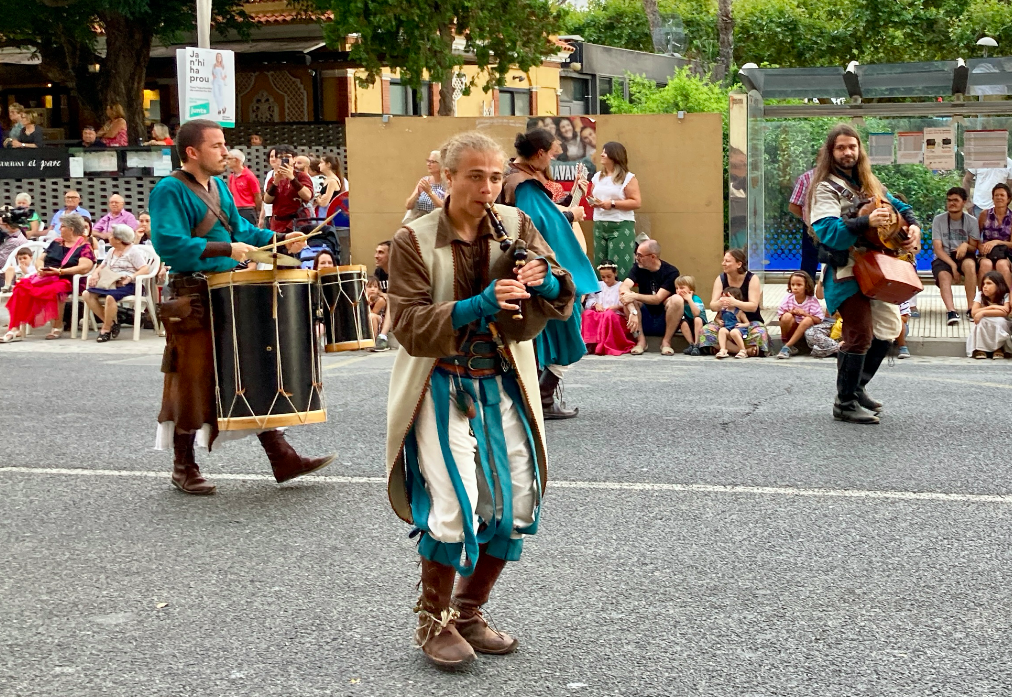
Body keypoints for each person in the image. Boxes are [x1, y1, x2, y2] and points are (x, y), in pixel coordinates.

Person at [385, 130, 574, 668]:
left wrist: (543, 281)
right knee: (451, 506)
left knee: (515, 502)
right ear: (447, 178)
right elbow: (408, 324)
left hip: (504, 380)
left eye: (495, 176)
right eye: (475, 176)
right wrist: (480, 303)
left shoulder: (516, 224)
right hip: (442, 381)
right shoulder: (413, 240)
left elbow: (562, 287)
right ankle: (432, 620)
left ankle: (468, 610)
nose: (488, 187)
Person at [148, 118, 333, 495]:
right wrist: (225, 250)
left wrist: (281, 239)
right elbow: (169, 245)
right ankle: (183, 466)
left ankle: (282, 456)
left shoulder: (218, 186)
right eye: (216, 145)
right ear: (192, 152)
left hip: (228, 290)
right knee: (194, 378)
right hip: (194, 295)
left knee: (249, 370)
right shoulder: (170, 189)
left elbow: (243, 233)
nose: (224, 151)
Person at [807, 123, 921, 425]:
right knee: (858, 334)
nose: (848, 152)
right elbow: (826, 231)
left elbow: (901, 207)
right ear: (832, 152)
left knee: (888, 328)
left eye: (852, 146)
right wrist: (866, 221)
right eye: (841, 147)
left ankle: (857, 388)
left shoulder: (868, 181)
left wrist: (913, 228)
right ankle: (844, 403)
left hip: (878, 267)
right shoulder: (825, 187)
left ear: (859, 150)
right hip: (846, 268)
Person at [503, 128, 599, 419]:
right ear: (540, 153)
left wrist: (569, 203)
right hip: (540, 271)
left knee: (539, 334)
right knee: (567, 326)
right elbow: (537, 225)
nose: (556, 156)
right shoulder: (524, 185)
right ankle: (542, 399)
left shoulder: (515, 176)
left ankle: (536, 397)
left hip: (526, 268)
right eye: (554, 151)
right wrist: (572, 215)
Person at [0, 213, 95, 343]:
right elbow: (40, 260)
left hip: (68, 279)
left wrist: (60, 271)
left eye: (62, 226)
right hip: (46, 276)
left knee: (55, 290)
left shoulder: (84, 246)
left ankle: (57, 326)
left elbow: (84, 267)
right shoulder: (56, 243)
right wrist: (40, 269)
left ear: (71, 229)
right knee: (21, 287)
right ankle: (15, 328)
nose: (59, 229)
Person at [82, 224, 149, 342]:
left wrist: (130, 277)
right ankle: (112, 323)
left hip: (128, 284)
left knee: (110, 298)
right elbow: (102, 265)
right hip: (110, 282)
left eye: (112, 235)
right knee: (87, 294)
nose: (109, 237)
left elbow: (145, 269)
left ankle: (106, 329)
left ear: (119, 240)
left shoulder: (133, 251)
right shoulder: (112, 251)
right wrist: (95, 273)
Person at [698, 249, 770, 357]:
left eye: (727, 261)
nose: (723, 264)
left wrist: (735, 302)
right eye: (723, 261)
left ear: (739, 264)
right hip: (725, 323)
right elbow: (713, 306)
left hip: (748, 322)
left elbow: (753, 306)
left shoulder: (751, 279)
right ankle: (746, 350)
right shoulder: (721, 278)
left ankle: (725, 348)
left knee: (759, 332)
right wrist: (721, 303)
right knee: (706, 331)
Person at [619, 239, 682, 356]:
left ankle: (666, 342)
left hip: (665, 318)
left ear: (652, 257)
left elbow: (658, 298)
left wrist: (633, 295)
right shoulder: (637, 268)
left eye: (640, 255)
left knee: (677, 300)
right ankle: (641, 341)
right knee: (627, 300)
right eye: (636, 254)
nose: (637, 258)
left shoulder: (671, 272)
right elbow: (623, 288)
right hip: (643, 316)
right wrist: (633, 311)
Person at [591, 141, 641, 279]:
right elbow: (594, 196)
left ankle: (621, 296)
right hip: (600, 224)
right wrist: (592, 200)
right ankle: (601, 297)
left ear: (614, 155)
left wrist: (612, 204)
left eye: (605, 152)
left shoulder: (628, 177)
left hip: (620, 224)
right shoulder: (597, 177)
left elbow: (636, 202)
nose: (602, 154)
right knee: (600, 265)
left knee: (619, 265)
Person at [931, 186, 979, 324]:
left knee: (970, 265)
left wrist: (965, 245)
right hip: (944, 256)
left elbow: (974, 247)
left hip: (964, 255)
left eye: (956, 200)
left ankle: (971, 308)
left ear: (964, 202)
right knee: (943, 275)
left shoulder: (971, 221)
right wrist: (952, 266)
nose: (951, 203)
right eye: (949, 200)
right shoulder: (938, 220)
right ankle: (951, 311)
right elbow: (938, 249)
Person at [581, 260, 635, 356]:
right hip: (600, 314)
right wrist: (595, 304)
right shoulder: (598, 285)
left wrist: (616, 307)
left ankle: (606, 345)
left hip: (616, 317)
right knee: (588, 314)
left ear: (615, 273)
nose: (606, 280)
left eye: (609, 276)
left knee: (608, 315)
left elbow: (626, 303)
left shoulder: (621, 286)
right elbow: (590, 300)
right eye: (603, 277)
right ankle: (589, 343)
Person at [263, 147, 314, 233]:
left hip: (296, 222)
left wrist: (292, 179)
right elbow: (267, 200)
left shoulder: (301, 176)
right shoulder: (273, 178)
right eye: (280, 157)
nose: (284, 159)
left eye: (287, 156)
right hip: (277, 223)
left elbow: (308, 196)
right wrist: (275, 182)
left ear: (294, 159)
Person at [776, 270, 824, 359]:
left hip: (805, 332)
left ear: (806, 286)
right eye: (792, 284)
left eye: (799, 285)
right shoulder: (788, 298)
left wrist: (805, 314)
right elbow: (780, 315)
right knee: (786, 316)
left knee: (808, 320)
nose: (795, 288)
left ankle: (787, 346)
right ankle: (786, 342)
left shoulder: (812, 300)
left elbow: (819, 319)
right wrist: (792, 312)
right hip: (791, 329)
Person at [976, 183, 1012, 292]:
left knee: (1002, 265)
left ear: (1008, 199)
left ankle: (1008, 299)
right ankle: (982, 299)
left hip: (1005, 254)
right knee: (985, 264)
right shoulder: (984, 214)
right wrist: (980, 246)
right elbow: (975, 237)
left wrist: (996, 242)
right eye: (996, 195)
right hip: (986, 254)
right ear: (992, 198)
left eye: (1002, 195)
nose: (999, 198)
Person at [967, 271, 1010, 359]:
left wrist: (982, 312)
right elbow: (974, 312)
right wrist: (990, 308)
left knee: (1000, 321)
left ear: (998, 285)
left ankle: (998, 348)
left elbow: (1004, 312)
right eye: (983, 284)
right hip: (985, 319)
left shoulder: (1005, 295)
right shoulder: (980, 295)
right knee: (981, 321)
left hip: (1000, 321)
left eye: (989, 283)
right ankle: (980, 348)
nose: (985, 287)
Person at [788, 168, 820, 279]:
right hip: (812, 227)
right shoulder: (806, 178)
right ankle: (807, 294)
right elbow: (793, 206)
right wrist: (809, 218)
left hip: (839, 226)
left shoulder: (844, 175)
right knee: (809, 267)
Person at [804, 269, 841, 359]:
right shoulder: (829, 272)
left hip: (848, 322)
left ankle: (823, 351)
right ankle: (839, 348)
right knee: (810, 333)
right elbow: (819, 295)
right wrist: (822, 277)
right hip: (829, 322)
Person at [404, 150, 447, 222]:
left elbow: (445, 208)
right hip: (418, 221)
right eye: (428, 161)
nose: (428, 164)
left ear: (441, 165)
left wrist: (430, 193)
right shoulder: (424, 180)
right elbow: (408, 206)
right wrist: (417, 194)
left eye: (432, 162)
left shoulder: (446, 184)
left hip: (436, 223)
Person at [226, 149, 262, 225]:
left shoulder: (249, 176)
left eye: (229, 158)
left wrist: (258, 212)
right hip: (235, 209)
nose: (227, 161)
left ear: (236, 160)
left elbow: (257, 195)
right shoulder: (231, 177)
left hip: (247, 210)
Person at [674, 275, 706, 356]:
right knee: (683, 322)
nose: (678, 291)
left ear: (691, 289)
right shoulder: (679, 300)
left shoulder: (696, 299)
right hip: (689, 324)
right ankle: (691, 344)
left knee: (697, 319)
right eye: (677, 288)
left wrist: (689, 299)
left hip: (701, 325)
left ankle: (697, 345)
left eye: (682, 288)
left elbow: (696, 313)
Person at [714, 287, 750, 359]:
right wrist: (719, 321)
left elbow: (747, 323)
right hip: (727, 328)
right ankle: (723, 349)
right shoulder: (723, 310)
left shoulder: (739, 312)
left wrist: (742, 325)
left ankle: (742, 350)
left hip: (737, 330)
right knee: (722, 330)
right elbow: (716, 318)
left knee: (734, 332)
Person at [370, 240, 393, 351]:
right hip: (383, 310)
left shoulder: (400, 272)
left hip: (399, 310)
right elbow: (375, 289)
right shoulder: (379, 272)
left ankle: (382, 337)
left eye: (380, 252)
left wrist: (387, 296)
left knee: (392, 300)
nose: (376, 256)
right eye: (376, 252)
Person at [315, 154, 348, 221]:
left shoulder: (332, 181)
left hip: (326, 215)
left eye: (321, 162)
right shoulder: (328, 179)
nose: (319, 165)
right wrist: (320, 198)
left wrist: (317, 198)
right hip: (322, 213)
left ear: (328, 164)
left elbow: (324, 203)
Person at [259, 146, 281, 228]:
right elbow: (265, 197)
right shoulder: (269, 174)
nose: (273, 159)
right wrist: (261, 217)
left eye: (276, 156)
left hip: (279, 216)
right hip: (268, 215)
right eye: (271, 156)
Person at [365, 276, 386, 340]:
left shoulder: (380, 300)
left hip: (380, 321)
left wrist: (367, 303)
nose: (373, 289)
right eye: (369, 287)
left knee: (372, 316)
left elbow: (372, 313)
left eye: (375, 287)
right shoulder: (361, 298)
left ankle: (374, 340)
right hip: (368, 318)